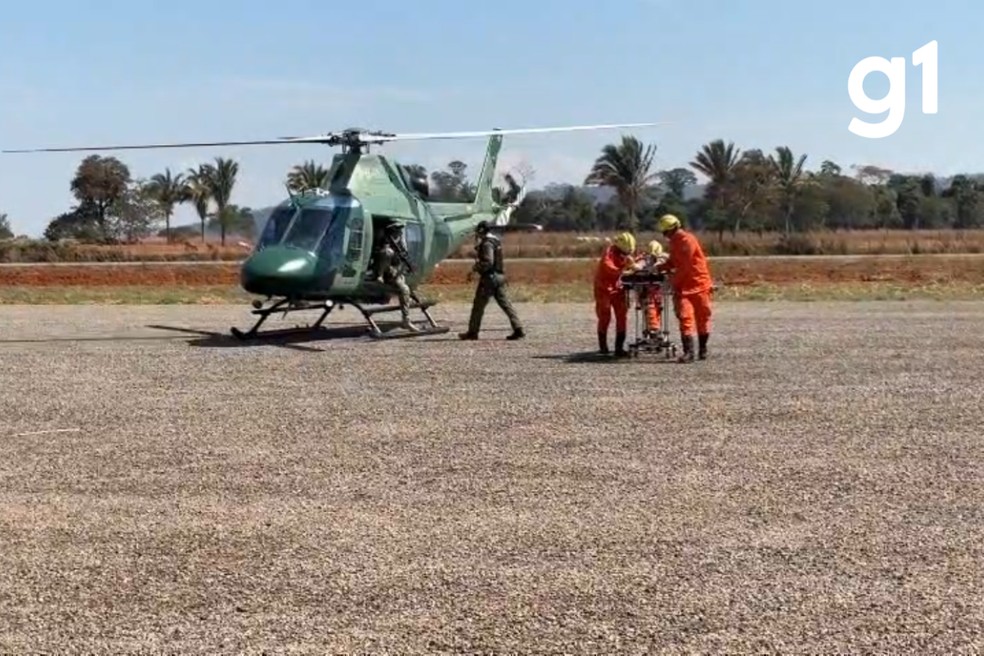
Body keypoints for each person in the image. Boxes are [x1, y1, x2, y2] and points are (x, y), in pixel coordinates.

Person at [655, 214, 713, 362]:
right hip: (684, 287)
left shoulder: (688, 240)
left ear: (673, 228)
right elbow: (674, 262)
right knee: (685, 318)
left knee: (702, 318)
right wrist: (660, 267)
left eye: (666, 232)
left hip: (698, 284)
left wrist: (674, 283)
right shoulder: (674, 242)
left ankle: (703, 350)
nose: (665, 235)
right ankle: (689, 352)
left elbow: (684, 267)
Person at [459, 220, 525, 340]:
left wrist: (475, 268)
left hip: (489, 278)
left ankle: (473, 332)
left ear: (481, 231)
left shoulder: (487, 243)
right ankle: (518, 328)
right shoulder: (496, 241)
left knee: (478, 306)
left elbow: (488, 261)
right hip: (499, 277)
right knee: (506, 304)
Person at [594, 231, 638, 356]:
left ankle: (619, 348)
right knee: (605, 317)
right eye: (625, 252)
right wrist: (624, 271)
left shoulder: (625, 252)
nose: (627, 254)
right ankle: (603, 347)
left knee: (621, 316)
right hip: (604, 289)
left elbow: (631, 262)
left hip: (618, 289)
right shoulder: (609, 253)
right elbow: (609, 268)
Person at [374, 222, 420, 332]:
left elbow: (403, 258)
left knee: (405, 289)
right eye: (396, 231)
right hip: (384, 271)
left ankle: (406, 320)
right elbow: (382, 255)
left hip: (395, 272)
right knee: (387, 252)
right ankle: (379, 276)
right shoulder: (384, 243)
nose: (399, 234)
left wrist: (407, 266)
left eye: (399, 231)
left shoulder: (401, 245)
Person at [638, 239, 669, 337]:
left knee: (657, 309)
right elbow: (638, 266)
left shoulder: (663, 257)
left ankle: (655, 329)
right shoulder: (644, 259)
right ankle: (653, 329)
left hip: (657, 289)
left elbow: (665, 263)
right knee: (649, 308)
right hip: (646, 290)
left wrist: (657, 266)